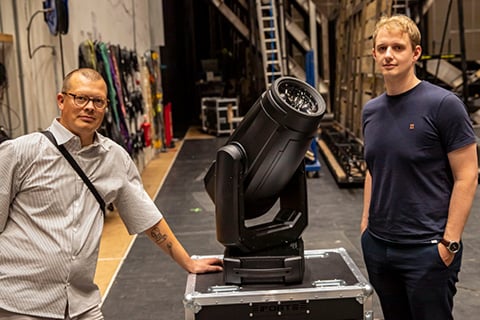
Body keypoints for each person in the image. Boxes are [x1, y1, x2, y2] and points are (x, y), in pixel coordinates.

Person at [0, 68, 223, 320]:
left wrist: (188, 263)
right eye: (80, 98)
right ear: (61, 100)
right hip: (20, 305)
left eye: (98, 101)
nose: (89, 107)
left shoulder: (114, 158)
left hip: (81, 303)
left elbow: (147, 218)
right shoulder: (19, 153)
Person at [360, 15, 478, 320]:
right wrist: (365, 229)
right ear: (373, 54)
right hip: (379, 247)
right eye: (382, 47)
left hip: (426, 250)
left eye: (398, 47)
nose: (388, 55)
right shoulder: (371, 111)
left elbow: (468, 175)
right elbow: (373, 168)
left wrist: (448, 243)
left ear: (415, 53)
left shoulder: (444, 105)